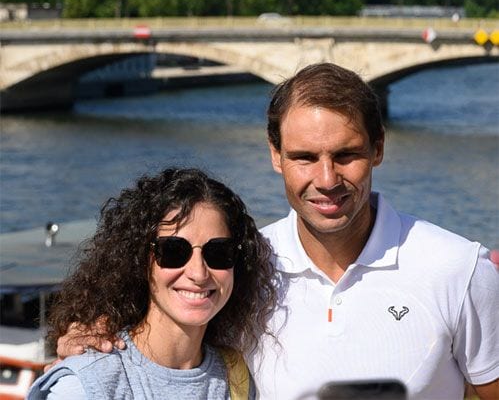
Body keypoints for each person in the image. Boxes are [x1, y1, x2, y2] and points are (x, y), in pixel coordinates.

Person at [55, 64, 499, 400]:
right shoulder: (237, 265)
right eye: (304, 157)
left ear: (378, 148)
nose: (326, 179)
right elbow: (162, 324)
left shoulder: (459, 269)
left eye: (346, 155)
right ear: (275, 155)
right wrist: (92, 337)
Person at [28, 167, 276, 399]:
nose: (198, 273)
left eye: (219, 252)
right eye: (174, 251)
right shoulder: (91, 384)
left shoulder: (235, 378)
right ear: (139, 260)